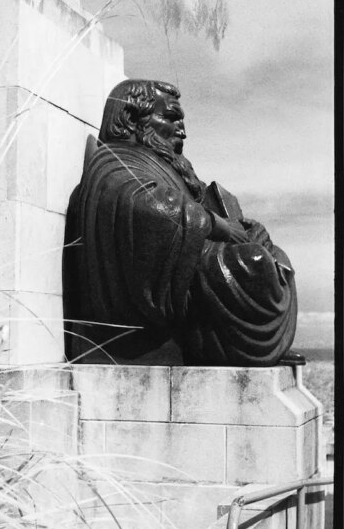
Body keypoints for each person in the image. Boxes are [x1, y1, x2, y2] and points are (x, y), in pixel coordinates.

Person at [62, 79, 297, 366]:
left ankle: (267, 348)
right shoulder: (113, 163)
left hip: (190, 259)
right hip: (164, 285)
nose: (182, 131)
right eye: (171, 118)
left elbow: (199, 202)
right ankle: (242, 348)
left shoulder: (164, 164)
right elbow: (149, 209)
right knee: (254, 263)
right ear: (131, 119)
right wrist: (216, 225)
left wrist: (244, 228)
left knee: (273, 254)